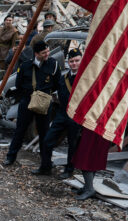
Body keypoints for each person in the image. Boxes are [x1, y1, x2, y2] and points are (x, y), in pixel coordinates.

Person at [4, 40, 62, 168]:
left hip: (44, 103)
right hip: (27, 101)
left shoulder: (54, 64)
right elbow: (18, 84)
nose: (47, 54)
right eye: (44, 52)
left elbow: (58, 83)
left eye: (47, 51)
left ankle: (46, 163)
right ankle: (10, 157)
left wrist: (45, 94)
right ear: (36, 54)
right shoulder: (25, 66)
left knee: (44, 134)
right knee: (20, 131)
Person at [39, 48, 83, 178]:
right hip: (62, 114)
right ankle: (46, 166)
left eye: (77, 61)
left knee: (72, 144)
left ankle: (69, 170)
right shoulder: (64, 77)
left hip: (76, 116)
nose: (74, 64)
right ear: (68, 62)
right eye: (71, 61)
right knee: (47, 141)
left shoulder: (85, 79)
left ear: (81, 61)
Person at [72, 128, 111, 201]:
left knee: (87, 158)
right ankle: (87, 187)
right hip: (97, 127)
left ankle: (89, 189)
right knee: (91, 157)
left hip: (100, 127)